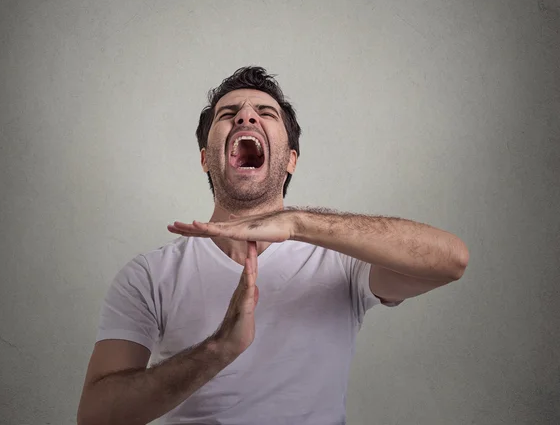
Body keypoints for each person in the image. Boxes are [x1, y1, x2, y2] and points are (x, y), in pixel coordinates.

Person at [77, 66, 469, 425]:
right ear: (205, 159)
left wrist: (297, 222)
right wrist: (217, 350)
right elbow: (96, 416)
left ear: (291, 160)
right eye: (227, 114)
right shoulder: (150, 275)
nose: (246, 116)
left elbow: (451, 260)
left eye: (266, 113)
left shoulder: (342, 261)